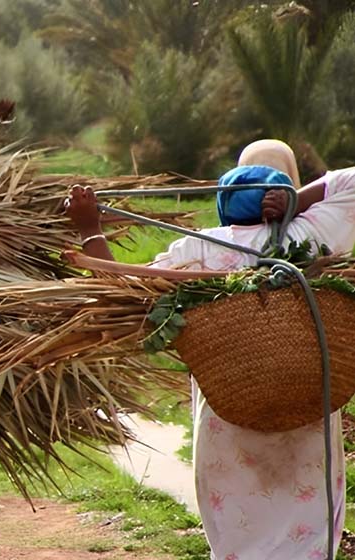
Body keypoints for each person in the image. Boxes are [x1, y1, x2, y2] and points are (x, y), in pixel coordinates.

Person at [65, 140, 355, 559]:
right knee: (304, 515)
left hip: (227, 409)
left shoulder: (199, 246)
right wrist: (299, 202)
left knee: (240, 517)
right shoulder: (312, 235)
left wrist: (89, 226)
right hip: (308, 401)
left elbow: (122, 288)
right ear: (288, 183)